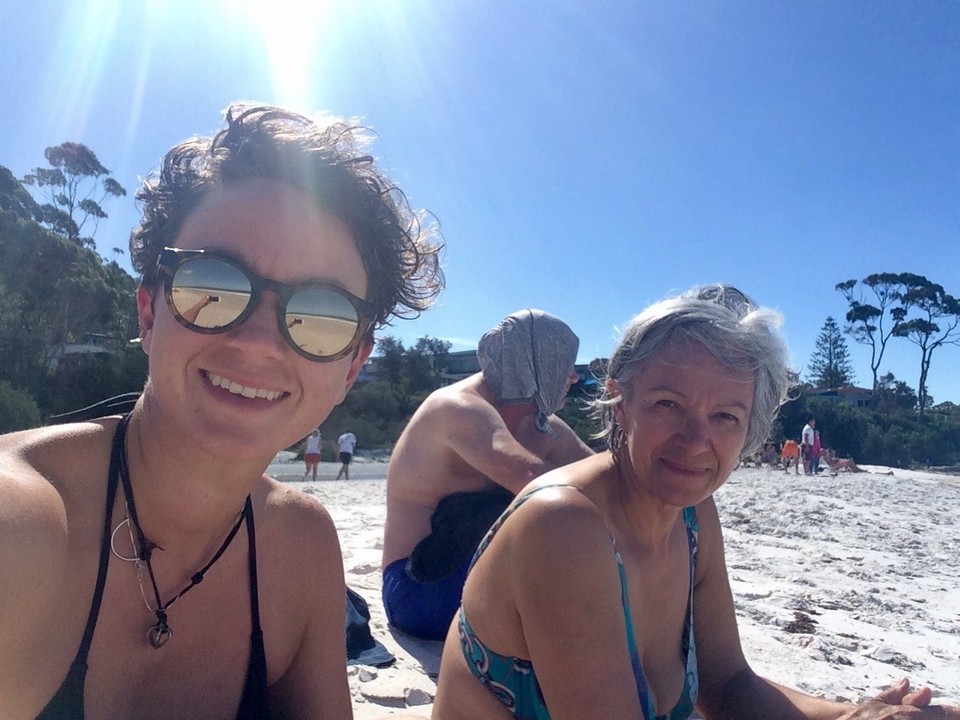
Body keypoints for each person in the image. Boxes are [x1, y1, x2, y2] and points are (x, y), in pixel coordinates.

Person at [0, 102, 443, 718]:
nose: (259, 344)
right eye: (213, 284)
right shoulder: (20, 527)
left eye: (322, 313)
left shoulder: (300, 545)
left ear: (351, 365)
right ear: (150, 312)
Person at [432, 284, 957, 720]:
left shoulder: (691, 517)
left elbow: (727, 685)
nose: (694, 441)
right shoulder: (562, 525)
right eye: (668, 404)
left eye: (725, 416)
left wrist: (858, 715)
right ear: (620, 402)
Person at [381, 309, 594, 641]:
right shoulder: (456, 408)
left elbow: (604, 475)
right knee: (549, 516)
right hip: (418, 588)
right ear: (536, 362)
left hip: (473, 580)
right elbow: (534, 481)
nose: (574, 378)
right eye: (566, 365)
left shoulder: (544, 428)